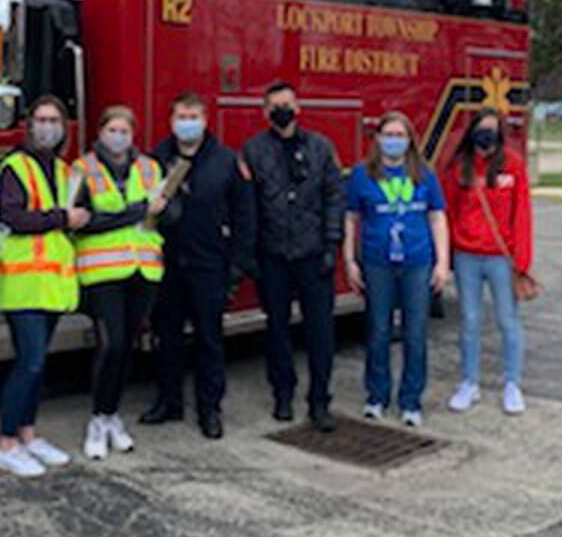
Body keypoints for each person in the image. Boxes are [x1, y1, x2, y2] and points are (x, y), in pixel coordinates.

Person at [141, 92, 256, 439]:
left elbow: (244, 216)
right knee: (168, 338)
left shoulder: (225, 161)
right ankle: (169, 402)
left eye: (193, 116)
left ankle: (210, 409)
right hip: (168, 264)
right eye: (181, 116)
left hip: (210, 265)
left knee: (209, 339)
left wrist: (237, 266)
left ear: (205, 121)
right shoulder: (156, 159)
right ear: (171, 121)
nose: (186, 122)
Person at [0, 96, 86, 477]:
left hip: (49, 285)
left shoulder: (63, 170)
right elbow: (11, 217)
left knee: (38, 364)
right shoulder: (14, 167)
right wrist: (64, 217)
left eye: (55, 120)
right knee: (29, 363)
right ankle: (6, 443)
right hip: (21, 284)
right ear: (28, 125)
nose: (48, 126)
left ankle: (28, 435)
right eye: (41, 119)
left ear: (64, 127)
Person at [242, 80, 344, 431]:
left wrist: (332, 244)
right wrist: (250, 251)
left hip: (313, 253)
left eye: (287, 104)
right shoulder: (253, 150)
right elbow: (249, 204)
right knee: (277, 331)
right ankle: (282, 396)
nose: (281, 111)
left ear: (298, 108)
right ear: (265, 112)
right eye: (274, 106)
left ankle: (320, 402)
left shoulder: (320, 147)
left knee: (320, 332)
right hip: (272, 255)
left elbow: (334, 197)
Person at [72, 106, 169, 459]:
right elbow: (82, 221)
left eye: (124, 130)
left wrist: (166, 207)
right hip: (102, 273)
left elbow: (165, 213)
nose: (118, 136)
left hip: (143, 270)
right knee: (110, 344)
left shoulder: (150, 168)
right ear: (99, 132)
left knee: (127, 346)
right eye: (112, 129)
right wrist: (139, 211)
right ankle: (97, 419)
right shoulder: (82, 169)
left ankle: (113, 416)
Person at [343, 111, 449, 428]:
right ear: (377, 139)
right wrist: (349, 260)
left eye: (399, 135)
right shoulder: (362, 175)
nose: (393, 141)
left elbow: (437, 217)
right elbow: (351, 218)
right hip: (377, 263)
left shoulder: (425, 174)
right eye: (387, 134)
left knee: (415, 333)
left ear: (409, 140)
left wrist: (442, 261)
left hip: (417, 262)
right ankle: (376, 396)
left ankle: (411, 401)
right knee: (378, 331)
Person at [442, 108, 534, 416]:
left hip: (501, 258)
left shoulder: (514, 166)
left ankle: (512, 384)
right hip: (467, 256)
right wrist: (453, 248)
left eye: (493, 129)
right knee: (469, 321)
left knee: (508, 322)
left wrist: (522, 261)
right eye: (481, 129)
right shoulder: (460, 167)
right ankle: (470, 382)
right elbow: (448, 210)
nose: (487, 135)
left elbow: (521, 215)